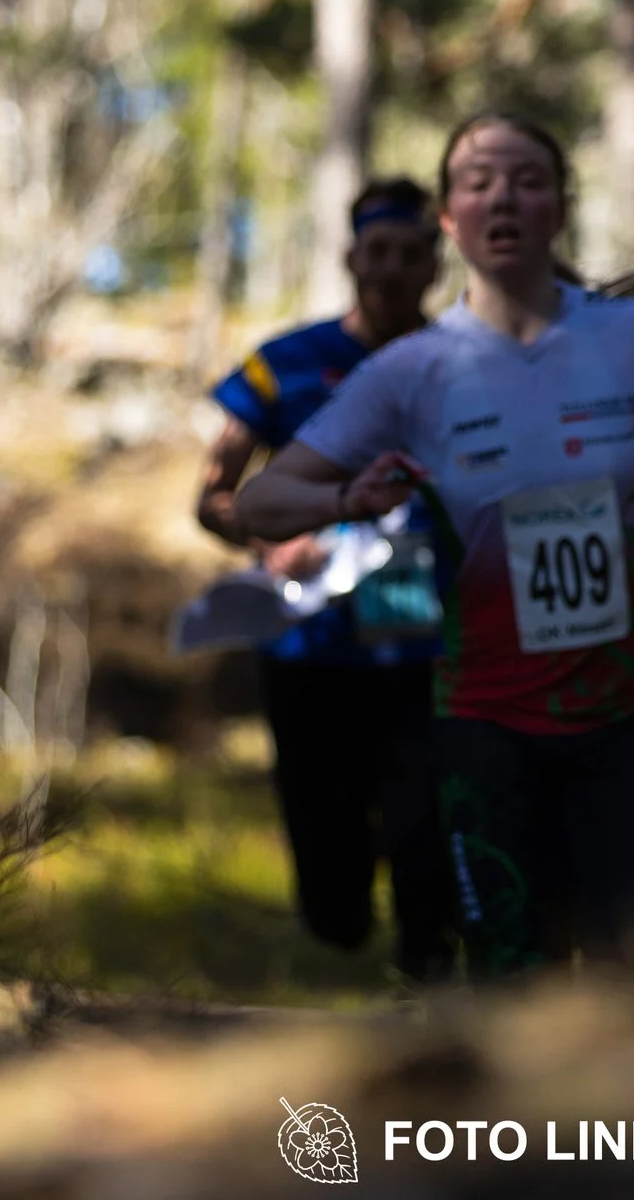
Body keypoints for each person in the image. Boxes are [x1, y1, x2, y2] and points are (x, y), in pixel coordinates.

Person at [233, 113, 634, 980]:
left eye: (526, 179)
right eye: (477, 183)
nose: (503, 196)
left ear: (560, 208)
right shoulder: (415, 370)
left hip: (632, 707)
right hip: (486, 719)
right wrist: (344, 499)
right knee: (517, 981)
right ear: (450, 220)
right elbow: (261, 498)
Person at [197, 177, 458, 982]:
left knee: (425, 824)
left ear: (434, 265)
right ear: (350, 257)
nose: (389, 269)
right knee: (329, 867)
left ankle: (431, 986)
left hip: (425, 639)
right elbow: (212, 495)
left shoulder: (464, 359)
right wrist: (269, 535)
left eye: (410, 254)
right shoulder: (284, 365)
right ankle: (344, 913)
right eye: (376, 251)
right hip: (309, 644)